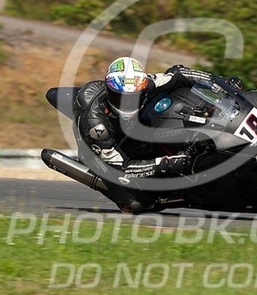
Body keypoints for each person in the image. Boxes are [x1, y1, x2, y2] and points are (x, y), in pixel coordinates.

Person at [73, 56, 219, 213]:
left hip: (129, 126)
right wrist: (166, 164)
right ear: (109, 92)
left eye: (133, 97)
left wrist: (219, 82)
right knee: (137, 204)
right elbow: (123, 167)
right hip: (99, 149)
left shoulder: (146, 83)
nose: (127, 103)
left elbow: (178, 74)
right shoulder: (96, 125)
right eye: (121, 97)